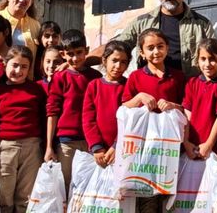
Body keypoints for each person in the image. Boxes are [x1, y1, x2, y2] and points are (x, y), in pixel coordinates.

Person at [121, 28, 185, 213]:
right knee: (147, 194)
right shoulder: (135, 77)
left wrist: (173, 105)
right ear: (142, 52)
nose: (156, 52)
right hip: (144, 147)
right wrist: (140, 97)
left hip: (170, 147)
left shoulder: (177, 77)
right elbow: (124, 107)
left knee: (168, 195)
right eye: (150, 48)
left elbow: (186, 109)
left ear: (167, 48)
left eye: (160, 46)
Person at [110, 0, 216, 76]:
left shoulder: (202, 24)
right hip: (150, 88)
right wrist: (92, 59)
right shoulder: (141, 23)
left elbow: (216, 55)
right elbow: (116, 46)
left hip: (189, 89)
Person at [0, 46, 46, 213]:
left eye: (24, 66)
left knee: (26, 197)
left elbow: (44, 122)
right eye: (14, 65)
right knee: (3, 197)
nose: (18, 70)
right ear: (5, 65)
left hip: (32, 149)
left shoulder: (37, 91)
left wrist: (46, 149)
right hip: (3, 149)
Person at [44, 29, 102, 189]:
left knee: (87, 187)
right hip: (66, 142)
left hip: (91, 141)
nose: (75, 58)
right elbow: (52, 111)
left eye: (79, 52)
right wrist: (49, 146)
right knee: (66, 185)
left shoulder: (95, 77)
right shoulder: (60, 77)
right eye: (70, 54)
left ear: (87, 51)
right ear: (63, 54)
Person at [82, 40, 131, 168]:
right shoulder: (94, 86)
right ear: (104, 60)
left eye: (123, 62)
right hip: (98, 153)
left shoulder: (129, 87)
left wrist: (117, 145)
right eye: (114, 60)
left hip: (123, 150)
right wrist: (96, 147)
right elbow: (88, 119)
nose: (118, 66)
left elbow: (130, 121)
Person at [182, 38, 217, 161]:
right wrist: (186, 142)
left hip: (215, 150)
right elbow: (187, 115)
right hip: (191, 146)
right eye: (203, 59)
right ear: (197, 60)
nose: (207, 64)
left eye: (212, 59)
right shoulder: (192, 83)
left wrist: (209, 144)